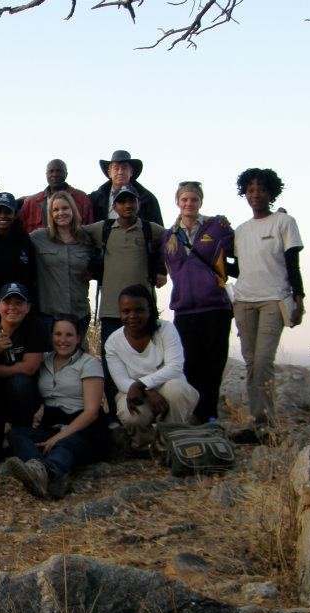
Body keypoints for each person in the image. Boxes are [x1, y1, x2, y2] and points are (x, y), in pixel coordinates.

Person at [230, 168, 305, 442]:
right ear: (244, 193)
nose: (255, 195)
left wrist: (300, 298)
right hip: (244, 300)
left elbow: (292, 263)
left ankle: (267, 426)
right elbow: (239, 268)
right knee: (251, 363)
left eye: (261, 189)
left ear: (271, 192)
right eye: (250, 190)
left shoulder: (284, 222)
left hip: (274, 299)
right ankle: (255, 424)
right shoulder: (240, 231)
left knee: (263, 361)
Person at [0, 316, 109, 499]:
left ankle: (48, 472)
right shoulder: (45, 361)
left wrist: (58, 437)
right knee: (16, 434)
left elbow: (92, 412)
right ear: (51, 337)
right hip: (53, 425)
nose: (62, 340)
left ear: (78, 338)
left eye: (69, 335)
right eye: (58, 334)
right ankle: (45, 472)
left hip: (84, 429)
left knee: (64, 444)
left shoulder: (89, 364)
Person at [85, 185, 166, 422]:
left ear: (139, 204)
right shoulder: (105, 229)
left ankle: (152, 410)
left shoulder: (151, 230)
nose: (127, 206)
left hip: (144, 313)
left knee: (151, 361)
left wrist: (162, 270)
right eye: (122, 202)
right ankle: (115, 415)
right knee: (112, 366)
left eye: (132, 201)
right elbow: (74, 231)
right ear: (115, 206)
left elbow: (176, 235)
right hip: (111, 311)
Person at [160, 181, 235, 423]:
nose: (189, 203)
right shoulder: (168, 237)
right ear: (178, 202)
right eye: (184, 199)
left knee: (214, 363)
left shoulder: (217, 228)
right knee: (189, 363)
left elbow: (238, 256)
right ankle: (192, 413)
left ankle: (210, 415)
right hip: (184, 308)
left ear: (200, 202)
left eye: (194, 199)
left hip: (215, 306)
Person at [104, 285, 199, 451]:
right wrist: (146, 389)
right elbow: (121, 381)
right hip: (134, 391)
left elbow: (175, 367)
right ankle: (146, 445)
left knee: (176, 390)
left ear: (150, 310)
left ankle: (169, 443)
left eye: (139, 310)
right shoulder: (113, 342)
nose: (132, 316)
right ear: (120, 312)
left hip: (167, 387)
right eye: (126, 311)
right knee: (130, 414)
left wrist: (140, 384)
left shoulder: (166, 329)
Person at [0, 282, 49, 429]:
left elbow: (29, 368)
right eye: (7, 302)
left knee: (20, 382)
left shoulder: (36, 326)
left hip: (23, 392)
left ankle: (22, 432)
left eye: (19, 303)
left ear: (28, 307)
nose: (12, 308)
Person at [30, 191, 95, 339]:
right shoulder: (39, 237)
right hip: (50, 316)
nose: (61, 213)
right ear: (50, 214)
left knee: (78, 359)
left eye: (65, 208)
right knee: (49, 361)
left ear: (72, 209)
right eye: (55, 210)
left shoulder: (87, 238)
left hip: (79, 313)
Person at [0, 192, 37, 315]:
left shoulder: (25, 241)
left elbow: (33, 276)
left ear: (15, 214)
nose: (2, 216)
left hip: (21, 309)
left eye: (7, 212)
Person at [89, 150, 163, 226]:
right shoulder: (95, 199)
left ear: (131, 172)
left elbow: (159, 233)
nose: (120, 172)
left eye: (124, 168)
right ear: (109, 172)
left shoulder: (148, 199)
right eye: (116, 168)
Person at [18, 159, 93, 233]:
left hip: (74, 244)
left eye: (59, 171)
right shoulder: (31, 203)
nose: (54, 174)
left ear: (66, 174)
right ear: (46, 175)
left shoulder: (81, 199)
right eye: (51, 171)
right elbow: (18, 230)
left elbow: (89, 229)